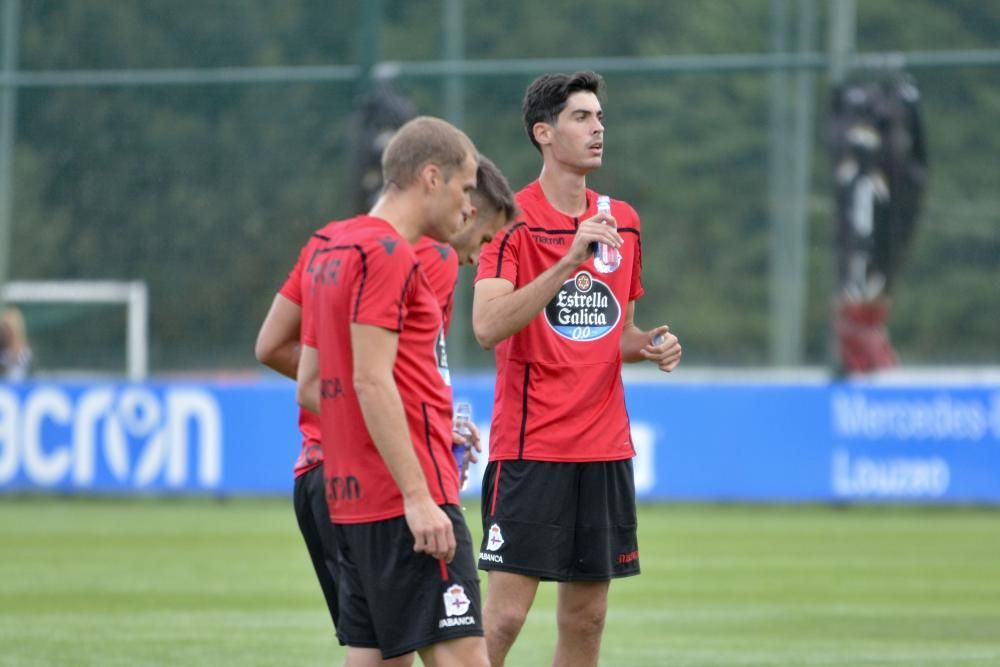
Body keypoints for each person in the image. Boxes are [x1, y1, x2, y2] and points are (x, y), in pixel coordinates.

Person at [255, 152, 515, 665]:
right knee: (461, 657)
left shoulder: (328, 244)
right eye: (482, 232)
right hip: (395, 480)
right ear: (436, 184)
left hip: (326, 478)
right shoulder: (420, 255)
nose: (476, 252)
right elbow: (373, 379)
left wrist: (410, 414)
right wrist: (409, 431)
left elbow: (282, 355)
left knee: (379, 654)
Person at [471, 71, 683, 667]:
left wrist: (652, 345)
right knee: (506, 617)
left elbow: (613, 337)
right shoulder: (510, 222)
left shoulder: (624, 220)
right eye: (581, 118)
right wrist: (568, 261)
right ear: (544, 132)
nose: (598, 129)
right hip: (531, 448)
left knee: (586, 618)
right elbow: (487, 326)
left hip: (604, 449)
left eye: (599, 118)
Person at [0, 306, 32, 381]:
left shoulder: (24, 351)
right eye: (3, 328)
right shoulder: (2, 349)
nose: (6, 332)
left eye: (8, 328)